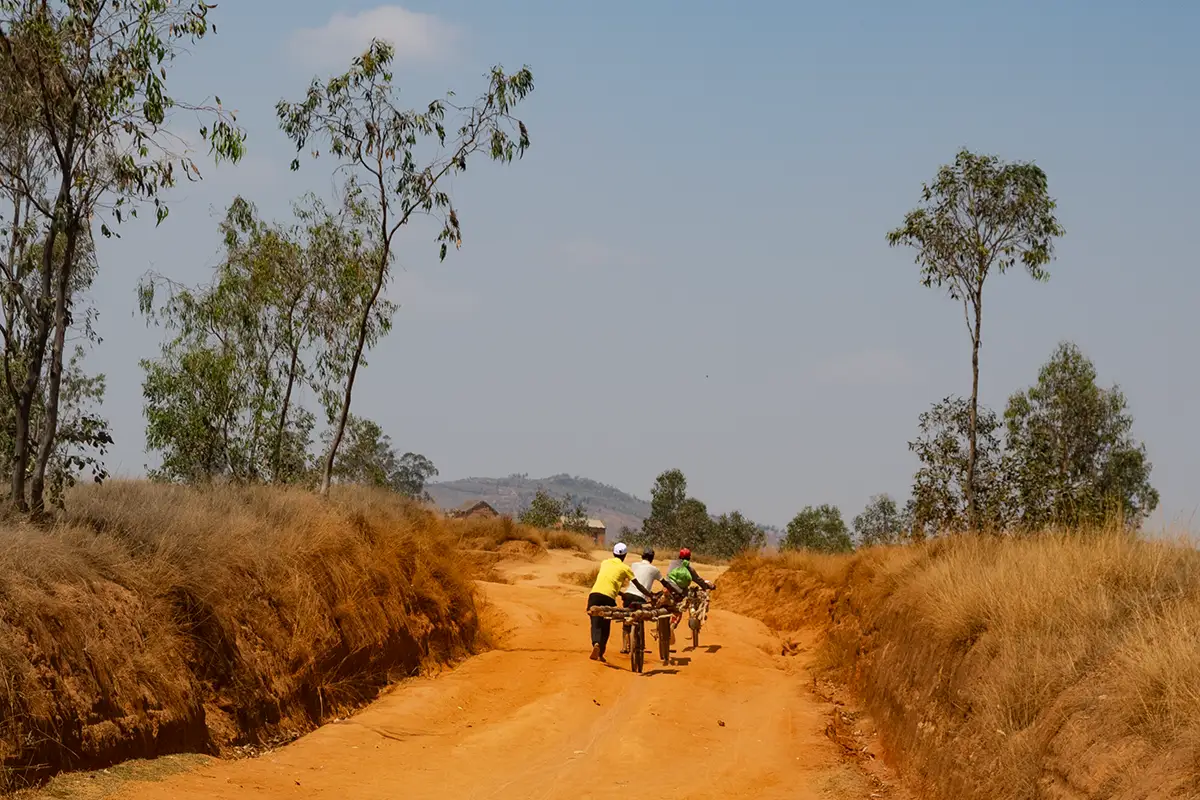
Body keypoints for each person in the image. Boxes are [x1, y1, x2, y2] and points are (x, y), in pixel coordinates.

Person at [586, 542, 653, 662]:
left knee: (595, 622)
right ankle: (601, 652)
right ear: (625, 555)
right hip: (609, 598)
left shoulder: (604, 562)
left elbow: (608, 581)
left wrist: (622, 594)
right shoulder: (625, 568)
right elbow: (639, 586)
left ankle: (596, 643)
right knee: (606, 625)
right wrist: (650, 595)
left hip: (594, 594)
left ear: (613, 553)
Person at [618, 548, 665, 654]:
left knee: (627, 619)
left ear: (642, 556)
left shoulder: (634, 565)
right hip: (641, 598)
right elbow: (664, 583)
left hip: (628, 595)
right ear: (652, 558)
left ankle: (625, 647)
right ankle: (640, 644)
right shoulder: (655, 570)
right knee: (640, 617)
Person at [662, 547, 715, 641]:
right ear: (689, 558)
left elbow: (668, 577)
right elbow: (699, 581)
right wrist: (708, 587)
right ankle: (672, 626)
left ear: (679, 556)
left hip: (668, 589)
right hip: (680, 593)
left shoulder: (672, 563)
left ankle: (661, 628)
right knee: (678, 611)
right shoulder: (689, 569)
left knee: (664, 607)